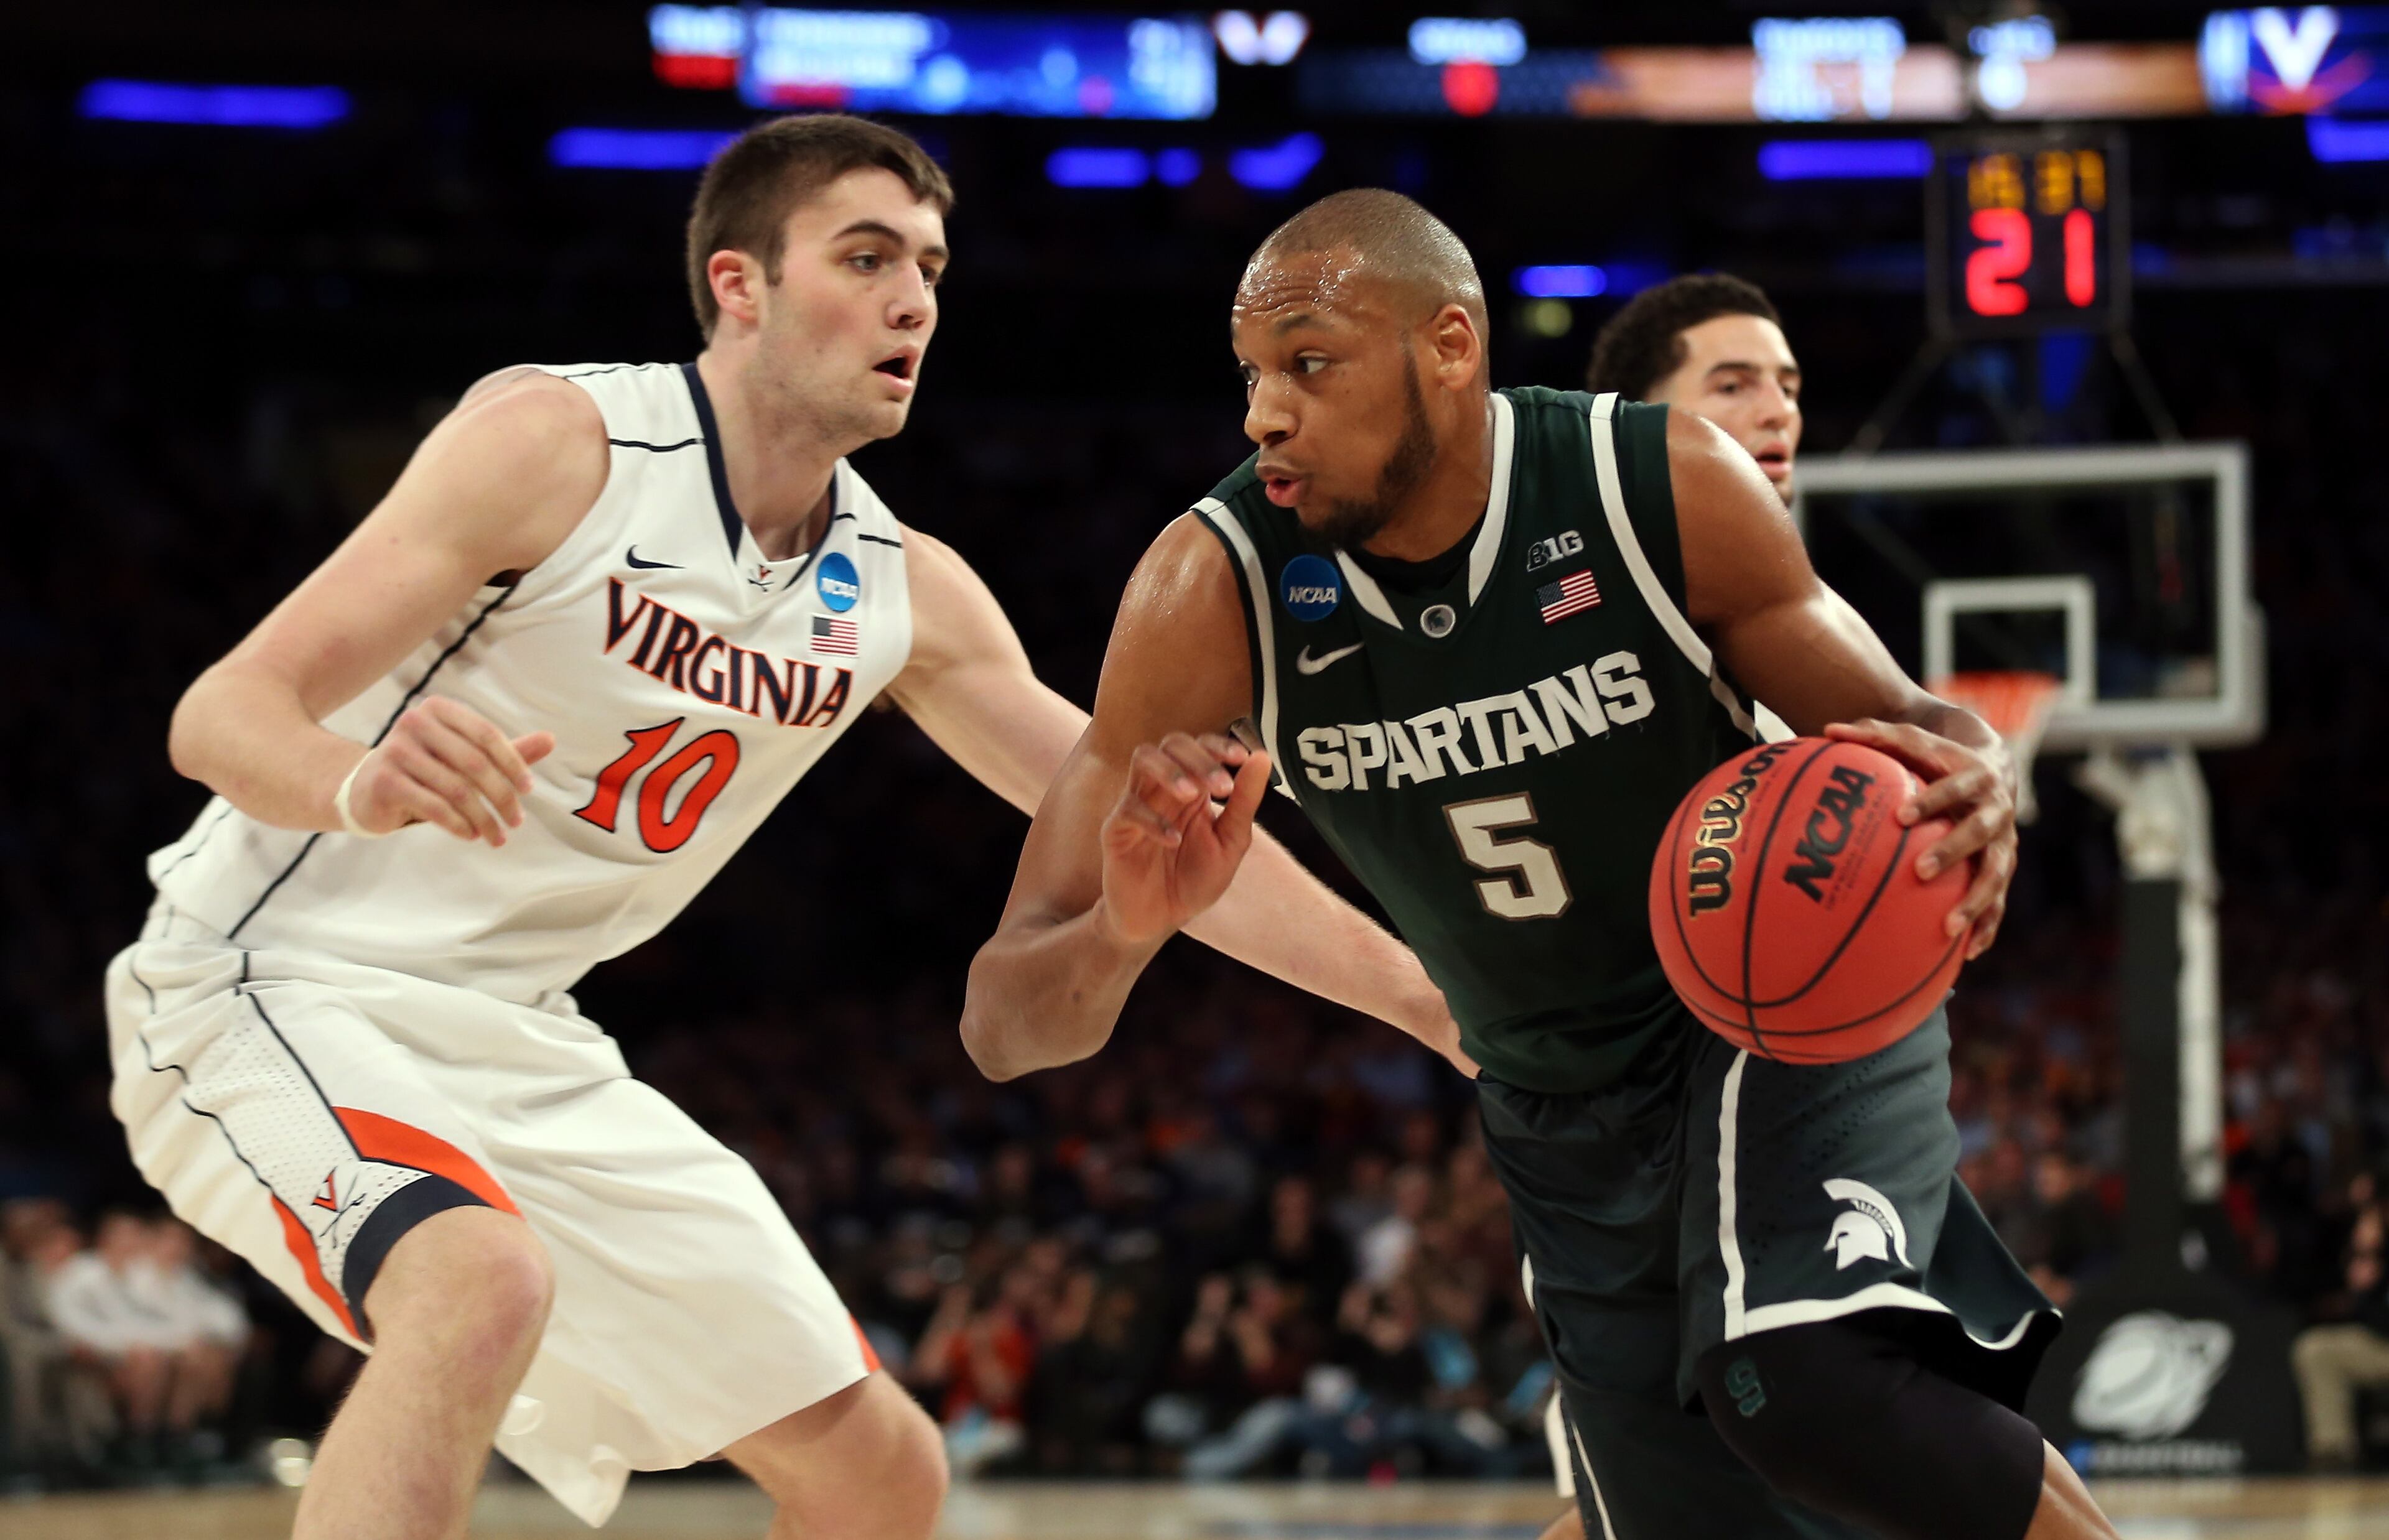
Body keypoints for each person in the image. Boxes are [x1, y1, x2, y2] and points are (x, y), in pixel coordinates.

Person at [103, 119, 1463, 1540]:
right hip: (266, 980)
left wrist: (1426, 997)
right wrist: (354, 777)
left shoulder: (902, 593)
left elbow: (1158, 824)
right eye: (865, 258)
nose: (912, 300)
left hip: (521, 1035)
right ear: (740, 285)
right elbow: (221, 710)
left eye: (931, 268)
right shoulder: (558, 444)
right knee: (475, 1283)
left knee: (882, 1471)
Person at [966, 188, 2124, 1540]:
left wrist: (1976, 757)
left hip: (1767, 1012)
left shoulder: (1657, 481)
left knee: (1803, 1383)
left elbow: (1910, 728)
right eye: (1253, 376)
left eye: (1311, 364)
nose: (1263, 414)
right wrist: (1123, 925)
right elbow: (1004, 1021)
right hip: (1548, 1097)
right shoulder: (1212, 588)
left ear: (1447, 347)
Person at [2290, 1172, 2389, 1472]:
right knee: (2316, 1349)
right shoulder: (2372, 1252)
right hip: (2381, 1346)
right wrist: (2367, 1267)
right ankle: (2335, 1454)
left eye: (2372, 1208)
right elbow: (2369, 1317)